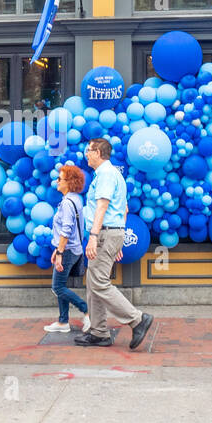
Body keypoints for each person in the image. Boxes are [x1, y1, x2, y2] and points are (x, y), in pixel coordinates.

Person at [76, 138, 154, 349]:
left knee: (99, 283)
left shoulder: (106, 175)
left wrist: (94, 236)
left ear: (99, 153)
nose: (86, 153)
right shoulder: (109, 174)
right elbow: (124, 209)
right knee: (94, 284)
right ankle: (99, 332)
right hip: (109, 233)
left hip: (103, 234)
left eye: (89, 150)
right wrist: (115, 238)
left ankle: (137, 319)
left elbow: (102, 207)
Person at [44, 164, 89, 333]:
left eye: (59, 179)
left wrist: (60, 252)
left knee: (57, 287)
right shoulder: (75, 199)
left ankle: (86, 310)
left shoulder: (68, 203)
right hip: (72, 248)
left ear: (69, 182)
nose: (56, 181)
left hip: (68, 250)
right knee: (61, 285)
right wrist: (57, 249)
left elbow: (67, 229)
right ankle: (63, 322)